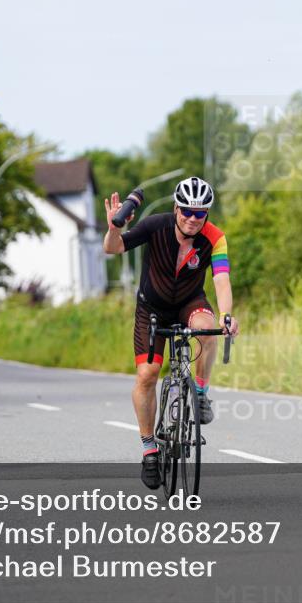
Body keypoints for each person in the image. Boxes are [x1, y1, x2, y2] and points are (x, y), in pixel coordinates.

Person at [103, 176, 239, 489]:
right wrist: (114, 228)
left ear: (206, 213)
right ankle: (150, 449)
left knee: (208, 330)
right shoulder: (155, 226)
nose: (193, 218)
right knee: (148, 375)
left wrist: (226, 315)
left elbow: (221, 279)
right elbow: (114, 248)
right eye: (187, 211)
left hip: (190, 302)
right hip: (151, 306)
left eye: (200, 213)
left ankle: (200, 393)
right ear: (176, 208)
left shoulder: (215, 238)